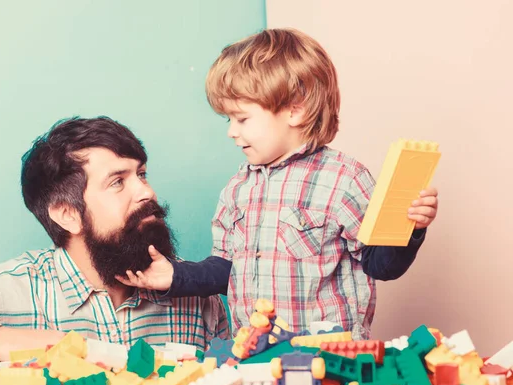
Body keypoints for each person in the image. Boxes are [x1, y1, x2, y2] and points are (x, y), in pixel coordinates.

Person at [116, 28, 440, 340]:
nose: (231, 130)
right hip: (256, 356)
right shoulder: (237, 188)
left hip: (329, 360)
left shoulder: (344, 179)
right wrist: (176, 276)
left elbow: (382, 266)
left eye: (242, 119)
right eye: (228, 119)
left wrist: (409, 227)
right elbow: (227, 269)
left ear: (294, 110)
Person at [0, 116, 228, 370]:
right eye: (117, 182)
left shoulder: (196, 295)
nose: (147, 193)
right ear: (67, 214)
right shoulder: (11, 292)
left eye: (141, 174)